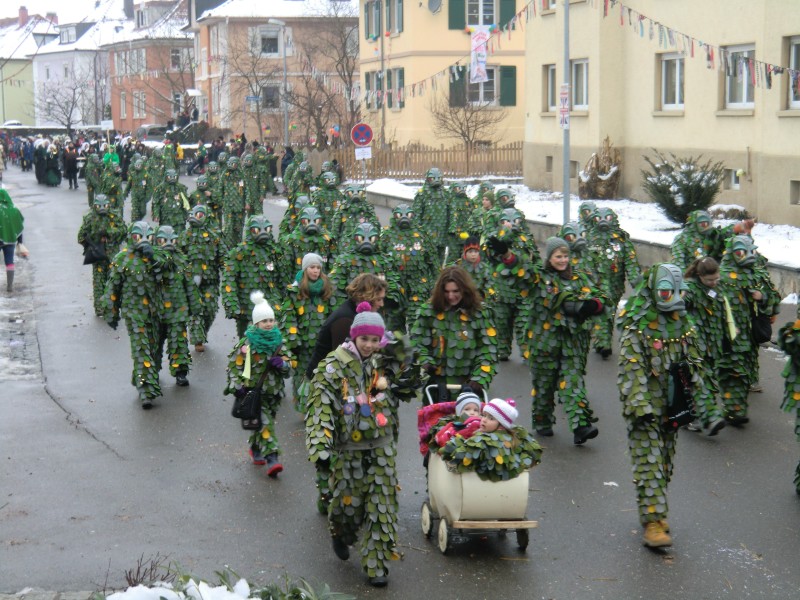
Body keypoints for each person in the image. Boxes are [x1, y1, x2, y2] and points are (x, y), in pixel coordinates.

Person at [305, 303, 418, 587]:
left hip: (382, 447)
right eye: (364, 338)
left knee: (383, 506)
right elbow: (320, 406)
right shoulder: (334, 365)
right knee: (348, 507)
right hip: (349, 449)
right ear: (354, 336)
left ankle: (376, 566)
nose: (369, 345)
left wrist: (403, 352)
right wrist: (321, 446)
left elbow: (409, 386)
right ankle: (341, 534)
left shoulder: (386, 362)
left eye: (374, 339)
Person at [617, 263, 712, 548]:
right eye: (666, 291)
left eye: (676, 291)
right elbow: (631, 367)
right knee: (649, 462)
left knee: (665, 463)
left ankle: (654, 511)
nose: (672, 297)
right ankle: (653, 523)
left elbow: (694, 361)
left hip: (671, 407)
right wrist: (639, 403)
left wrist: (701, 394)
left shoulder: (683, 324)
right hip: (644, 409)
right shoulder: (637, 325)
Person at [226, 291, 292, 477]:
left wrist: (283, 365)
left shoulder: (280, 342)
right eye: (264, 321)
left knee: (262, 423)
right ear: (256, 324)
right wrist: (237, 386)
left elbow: (289, 370)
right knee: (265, 423)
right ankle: (272, 458)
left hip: (274, 393)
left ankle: (255, 449)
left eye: (271, 320)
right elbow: (234, 366)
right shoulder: (247, 343)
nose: (269, 324)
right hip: (254, 393)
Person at [410, 265, 498, 403]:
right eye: (446, 291)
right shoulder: (428, 311)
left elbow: (488, 350)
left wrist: (480, 378)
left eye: (456, 291)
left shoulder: (480, 313)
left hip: (469, 386)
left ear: (465, 289)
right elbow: (417, 342)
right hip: (436, 385)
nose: (451, 296)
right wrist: (425, 362)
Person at [277, 252, 338, 412]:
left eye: (318, 267)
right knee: (303, 375)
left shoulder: (327, 289)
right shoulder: (294, 292)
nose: (315, 271)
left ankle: (321, 407)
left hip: (323, 343)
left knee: (323, 374)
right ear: (305, 269)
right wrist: (293, 339)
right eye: (312, 267)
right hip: (303, 344)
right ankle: (305, 408)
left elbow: (334, 315)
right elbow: (289, 316)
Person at [438, 398, 543, 482]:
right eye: (484, 415)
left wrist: (452, 445)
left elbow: (461, 453)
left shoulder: (486, 441)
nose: (484, 420)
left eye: (491, 418)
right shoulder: (485, 432)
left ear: (501, 425)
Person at [305, 273, 387, 380]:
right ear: (366, 297)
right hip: (322, 383)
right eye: (378, 299)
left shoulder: (355, 313)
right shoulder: (345, 320)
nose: (382, 304)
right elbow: (344, 363)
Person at [681, 257, 729, 436]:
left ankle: (693, 416)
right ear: (700, 275)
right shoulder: (690, 289)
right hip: (695, 344)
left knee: (708, 381)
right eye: (710, 280)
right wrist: (690, 325)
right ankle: (710, 418)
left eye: (716, 278)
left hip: (713, 345)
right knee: (700, 380)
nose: (714, 282)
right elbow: (678, 309)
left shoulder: (718, 288)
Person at [0, 189, 27, 292]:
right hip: (10, 240)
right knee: (9, 261)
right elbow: (18, 226)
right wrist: (20, 242)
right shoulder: (14, 210)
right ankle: (9, 286)